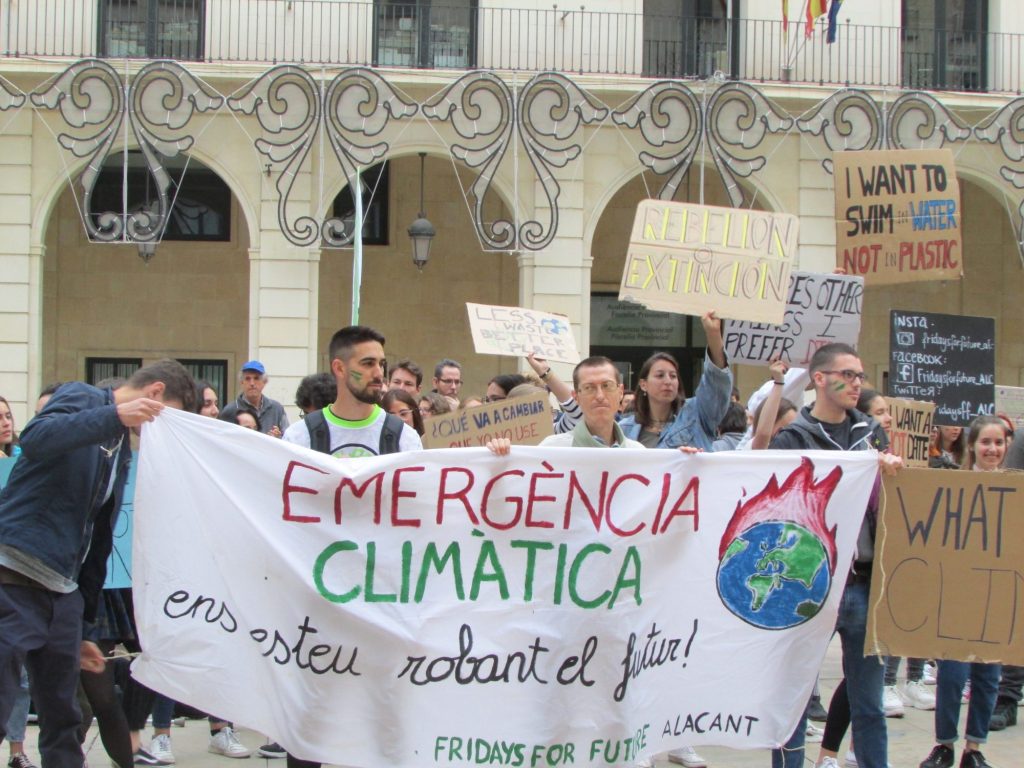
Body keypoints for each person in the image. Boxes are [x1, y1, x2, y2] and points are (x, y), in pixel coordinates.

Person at [0, 360, 196, 768]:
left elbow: (101, 533)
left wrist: (85, 625)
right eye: (169, 416)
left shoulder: (122, 446)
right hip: (13, 575)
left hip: (65, 593)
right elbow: (36, 438)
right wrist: (114, 415)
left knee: (65, 716)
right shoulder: (82, 396)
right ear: (155, 393)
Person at [282, 326, 421, 768]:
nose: (380, 373)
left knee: (383, 720)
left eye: (381, 362)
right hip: (319, 604)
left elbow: (424, 518)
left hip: (383, 602)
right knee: (310, 721)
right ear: (339, 369)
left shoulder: (403, 437)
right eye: (368, 364)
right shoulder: (302, 437)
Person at [768, 343, 903, 768]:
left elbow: (889, 508)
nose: (857, 383)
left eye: (861, 376)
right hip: (810, 584)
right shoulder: (791, 439)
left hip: (864, 583)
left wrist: (891, 477)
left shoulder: (871, 435)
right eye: (848, 374)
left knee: (869, 703)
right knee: (790, 702)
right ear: (819, 379)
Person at [919, 415, 1007, 768]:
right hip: (956, 598)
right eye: (986, 442)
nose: (993, 449)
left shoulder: (1015, 491)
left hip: (997, 598)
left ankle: (974, 748)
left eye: (999, 443)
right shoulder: (953, 486)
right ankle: (945, 745)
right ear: (972, 446)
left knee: (988, 678)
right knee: (952, 676)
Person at [619, 312, 733, 451]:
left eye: (673, 376)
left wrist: (713, 333)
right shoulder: (624, 429)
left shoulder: (696, 414)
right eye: (660, 375)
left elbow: (717, 383)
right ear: (644, 384)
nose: (668, 381)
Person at [218, 361, 288, 437]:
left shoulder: (276, 409)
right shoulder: (230, 410)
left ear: (264, 382)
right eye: (247, 378)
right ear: (242, 382)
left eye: (256, 378)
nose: (252, 383)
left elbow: (288, 439)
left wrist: (278, 438)